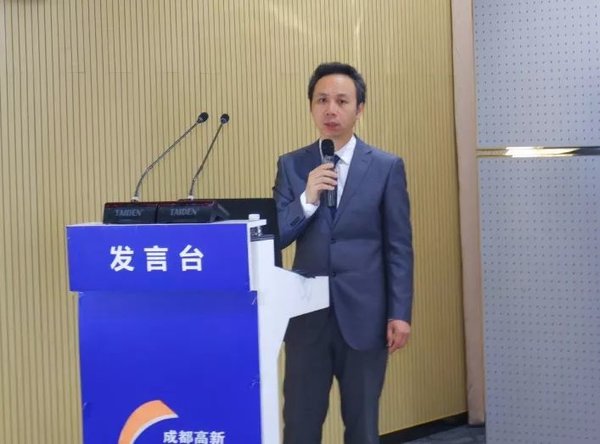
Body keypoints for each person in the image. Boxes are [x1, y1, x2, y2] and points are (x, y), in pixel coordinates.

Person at [272, 62, 414, 444]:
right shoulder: (292, 165)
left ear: (359, 108)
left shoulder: (385, 167)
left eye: (341, 101)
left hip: (366, 317)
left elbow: (399, 247)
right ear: (311, 107)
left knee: (363, 427)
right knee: (299, 426)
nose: (331, 109)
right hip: (307, 321)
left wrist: (400, 313)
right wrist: (307, 199)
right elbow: (277, 237)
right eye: (322, 100)